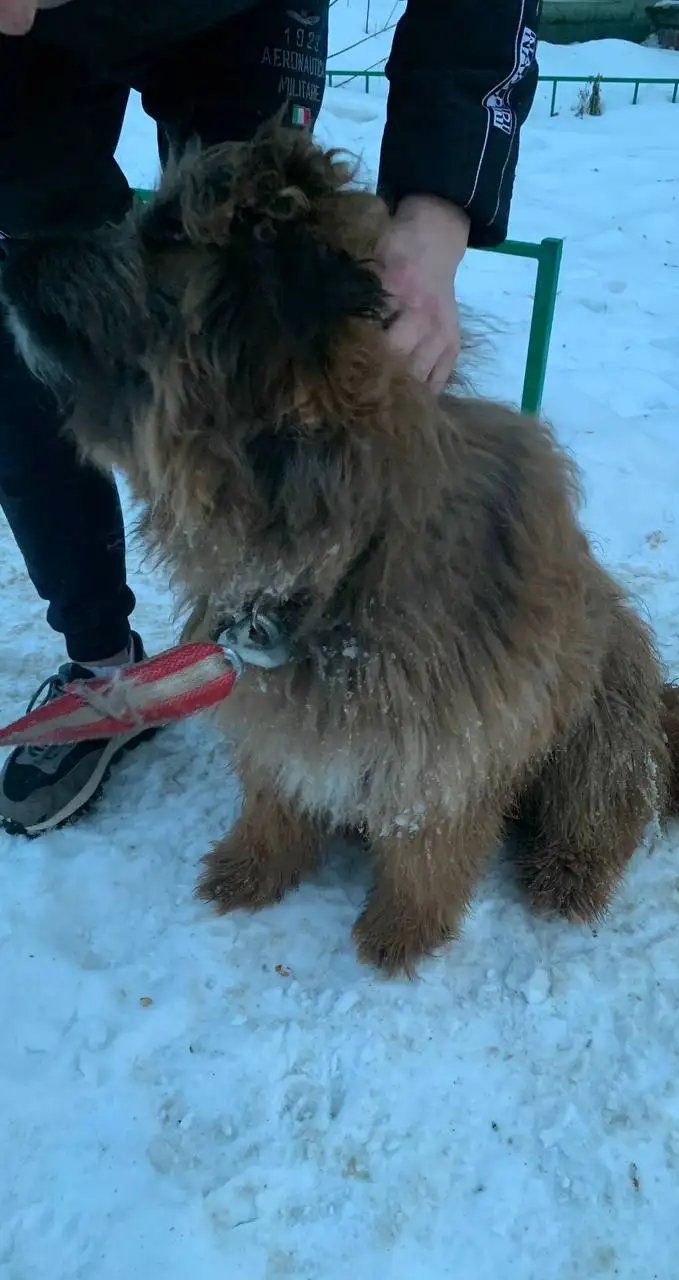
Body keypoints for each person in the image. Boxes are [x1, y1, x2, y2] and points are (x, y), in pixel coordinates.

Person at [0, 0, 540, 835]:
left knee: (262, 282)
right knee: (32, 278)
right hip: (36, 35)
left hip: (240, 11)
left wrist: (435, 216)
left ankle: (305, 594)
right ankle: (101, 660)